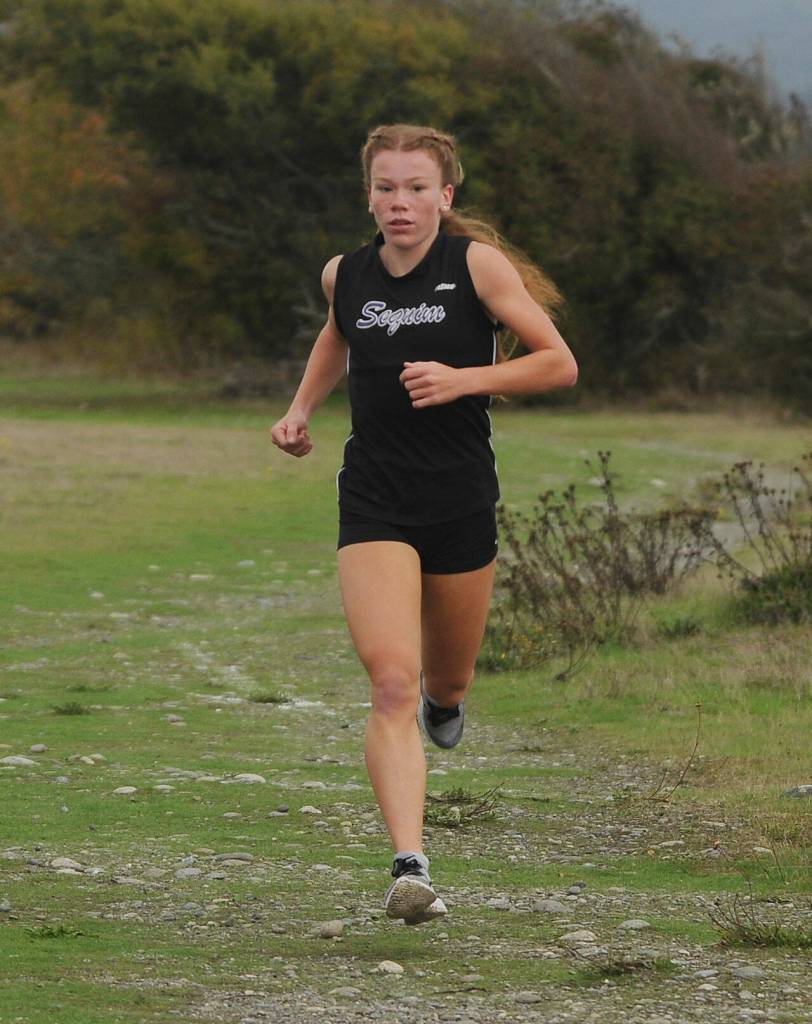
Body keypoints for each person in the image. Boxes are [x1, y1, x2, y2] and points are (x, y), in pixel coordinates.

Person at [271, 123, 577, 925]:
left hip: (459, 498)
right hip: (373, 495)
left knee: (445, 682)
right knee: (390, 682)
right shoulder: (349, 273)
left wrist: (464, 378)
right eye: (384, 187)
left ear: (445, 196)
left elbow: (558, 362)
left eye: (415, 188)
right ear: (367, 193)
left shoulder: (474, 265)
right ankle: (410, 867)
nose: (398, 203)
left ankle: (449, 704)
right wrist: (301, 410)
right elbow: (338, 337)